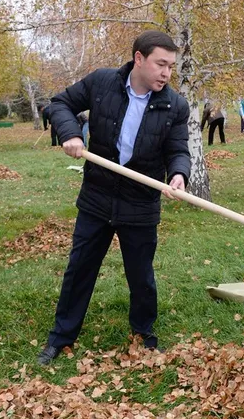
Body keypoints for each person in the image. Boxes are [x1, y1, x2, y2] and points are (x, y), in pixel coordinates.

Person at [37, 30, 191, 365]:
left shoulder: (174, 105)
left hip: (140, 202)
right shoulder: (102, 83)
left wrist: (179, 174)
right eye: (160, 64)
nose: (166, 73)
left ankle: (144, 335)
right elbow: (59, 104)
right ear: (139, 59)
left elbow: (178, 149)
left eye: (171, 67)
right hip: (97, 197)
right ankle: (60, 337)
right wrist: (71, 133)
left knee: (141, 276)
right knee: (80, 269)